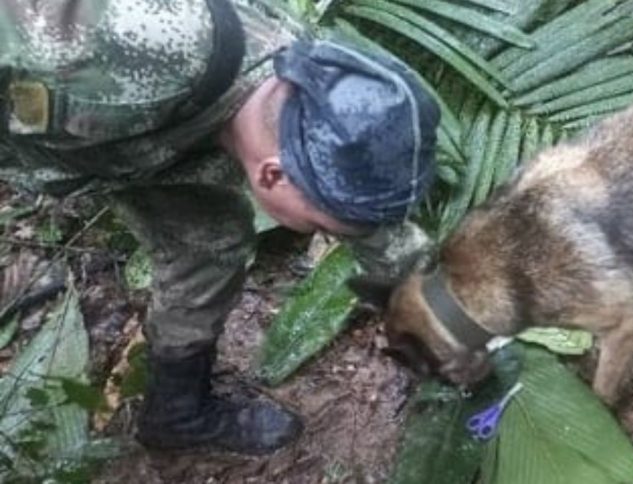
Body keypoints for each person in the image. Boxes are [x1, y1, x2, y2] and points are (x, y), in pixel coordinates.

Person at [0, 0, 440, 455]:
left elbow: (364, 219)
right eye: (319, 227)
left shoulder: (314, 89)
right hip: (70, 117)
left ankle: (176, 412)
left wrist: (444, 315)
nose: (321, 234)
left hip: (146, 137)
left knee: (208, 245)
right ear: (272, 175)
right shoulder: (106, 50)